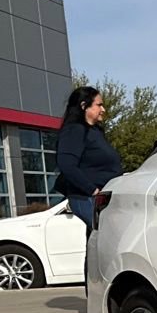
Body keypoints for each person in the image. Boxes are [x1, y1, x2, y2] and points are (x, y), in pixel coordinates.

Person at [55, 86, 122, 234]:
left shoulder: (95, 132)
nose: (103, 109)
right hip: (86, 199)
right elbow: (66, 165)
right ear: (84, 106)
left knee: (101, 244)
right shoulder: (74, 130)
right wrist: (93, 190)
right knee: (107, 238)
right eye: (99, 105)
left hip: (101, 199)